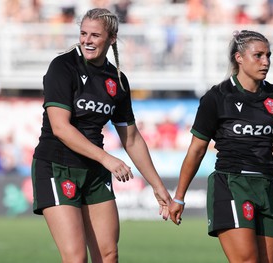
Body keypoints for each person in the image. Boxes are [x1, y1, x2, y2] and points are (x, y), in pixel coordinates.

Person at [31, 8, 171, 263]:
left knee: (108, 255)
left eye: (95, 35)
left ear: (112, 38)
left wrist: (158, 186)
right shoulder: (63, 66)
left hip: (94, 173)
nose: (87, 40)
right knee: (76, 258)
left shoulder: (117, 80)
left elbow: (132, 139)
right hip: (56, 166)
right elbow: (61, 128)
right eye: (83, 33)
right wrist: (107, 159)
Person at [169, 30, 273, 263]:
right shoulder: (217, 97)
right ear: (239, 57)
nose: (266, 61)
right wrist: (178, 197)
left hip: (266, 186)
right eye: (258, 55)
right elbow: (197, 150)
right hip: (232, 183)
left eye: (268, 55)